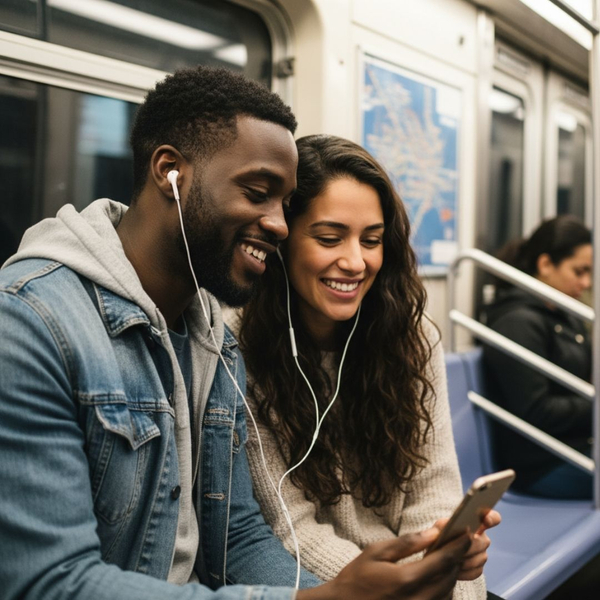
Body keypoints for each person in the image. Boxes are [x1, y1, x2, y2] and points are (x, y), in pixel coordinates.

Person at [0, 67, 472, 600]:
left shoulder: (211, 342)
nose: (278, 224)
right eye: (257, 194)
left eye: (284, 203)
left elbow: (239, 538)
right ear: (170, 172)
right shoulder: (30, 325)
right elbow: (49, 583)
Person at [237, 135, 500, 600]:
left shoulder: (412, 339)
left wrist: (449, 572)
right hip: (333, 586)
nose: (356, 262)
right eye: (329, 238)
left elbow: (433, 491)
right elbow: (290, 525)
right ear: (284, 240)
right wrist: (394, 587)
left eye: (372, 240)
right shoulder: (237, 349)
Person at [481, 215, 593, 499]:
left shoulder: (566, 316)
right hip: (541, 465)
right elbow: (536, 411)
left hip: (575, 447)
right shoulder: (517, 322)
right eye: (579, 271)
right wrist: (594, 405)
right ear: (545, 265)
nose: (586, 282)